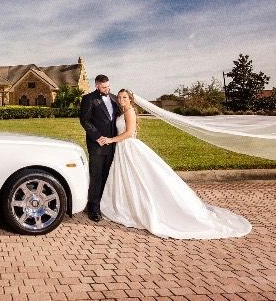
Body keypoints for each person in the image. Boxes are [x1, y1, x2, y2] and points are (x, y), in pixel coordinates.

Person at [99, 89, 252, 239]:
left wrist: (111, 140)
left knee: (140, 178)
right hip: (122, 149)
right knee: (129, 179)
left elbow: (129, 132)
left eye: (124, 97)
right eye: (119, 97)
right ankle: (127, 206)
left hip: (129, 147)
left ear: (130, 99)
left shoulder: (130, 111)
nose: (121, 100)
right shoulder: (123, 111)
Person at [79, 75, 121, 222]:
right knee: (96, 175)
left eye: (108, 86)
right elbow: (84, 120)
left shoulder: (116, 99)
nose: (107, 89)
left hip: (114, 144)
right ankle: (93, 208)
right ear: (96, 86)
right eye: (104, 87)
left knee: (108, 175)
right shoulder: (89, 99)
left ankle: (104, 204)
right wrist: (97, 137)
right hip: (97, 144)